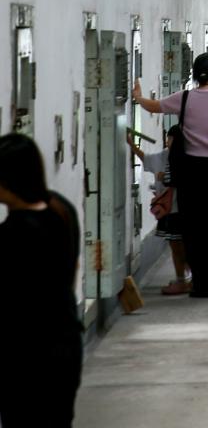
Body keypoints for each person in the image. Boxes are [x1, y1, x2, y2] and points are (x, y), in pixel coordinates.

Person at [132, 52, 208, 298]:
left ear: (194, 74)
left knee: (194, 230)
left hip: (191, 172)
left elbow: (155, 106)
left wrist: (138, 97)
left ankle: (202, 284)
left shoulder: (184, 98)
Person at [0, 134, 83, 427]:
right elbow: (71, 269)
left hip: (27, 355)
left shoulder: (14, 233)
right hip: (65, 342)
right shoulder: (62, 209)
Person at [126, 126, 191, 295]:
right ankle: (184, 278)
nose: (167, 142)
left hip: (179, 209)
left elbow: (175, 180)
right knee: (177, 246)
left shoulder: (185, 157)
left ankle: (184, 280)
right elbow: (147, 159)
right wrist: (131, 145)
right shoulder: (165, 155)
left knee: (179, 247)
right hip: (171, 209)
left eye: (170, 139)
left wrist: (166, 177)